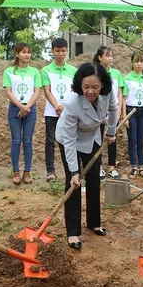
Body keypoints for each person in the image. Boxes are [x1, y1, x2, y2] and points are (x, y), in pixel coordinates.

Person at [56, 62, 117, 249]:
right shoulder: (72, 103)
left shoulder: (107, 94)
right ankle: (73, 232)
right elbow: (69, 140)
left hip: (92, 138)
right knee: (73, 183)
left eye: (95, 87)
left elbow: (114, 110)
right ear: (79, 85)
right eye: (86, 87)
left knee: (93, 179)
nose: (90, 91)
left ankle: (94, 222)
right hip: (70, 139)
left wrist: (111, 132)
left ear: (102, 85)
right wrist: (74, 171)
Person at [3, 42, 42, 185]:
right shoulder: (9, 71)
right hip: (14, 109)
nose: (27, 55)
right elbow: (8, 91)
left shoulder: (35, 72)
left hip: (30, 109)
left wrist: (27, 107)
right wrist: (20, 106)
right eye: (24, 52)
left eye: (29, 52)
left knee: (27, 141)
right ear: (17, 54)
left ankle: (27, 171)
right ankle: (15, 171)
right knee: (15, 140)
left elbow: (37, 91)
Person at [41, 38, 76, 182]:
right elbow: (47, 91)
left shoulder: (74, 70)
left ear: (67, 51)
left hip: (69, 111)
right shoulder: (45, 70)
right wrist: (57, 106)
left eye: (63, 51)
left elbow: (75, 91)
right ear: (52, 51)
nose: (60, 54)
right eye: (57, 51)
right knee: (50, 140)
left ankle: (71, 170)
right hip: (52, 111)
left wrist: (65, 106)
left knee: (70, 141)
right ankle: (50, 171)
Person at [93, 46, 124, 179]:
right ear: (100, 57)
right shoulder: (94, 73)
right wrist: (101, 114)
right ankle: (98, 167)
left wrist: (117, 112)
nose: (110, 58)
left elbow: (120, 94)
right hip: (97, 112)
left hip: (113, 111)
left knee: (112, 138)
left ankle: (111, 167)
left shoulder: (116, 73)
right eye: (107, 55)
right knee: (97, 139)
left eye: (111, 55)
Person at [122, 52, 143, 179]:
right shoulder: (127, 78)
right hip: (131, 111)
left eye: (141, 61)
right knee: (132, 140)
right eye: (136, 61)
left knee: (141, 140)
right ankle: (133, 166)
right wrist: (125, 116)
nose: (139, 64)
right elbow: (124, 98)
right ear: (132, 62)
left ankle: (142, 166)